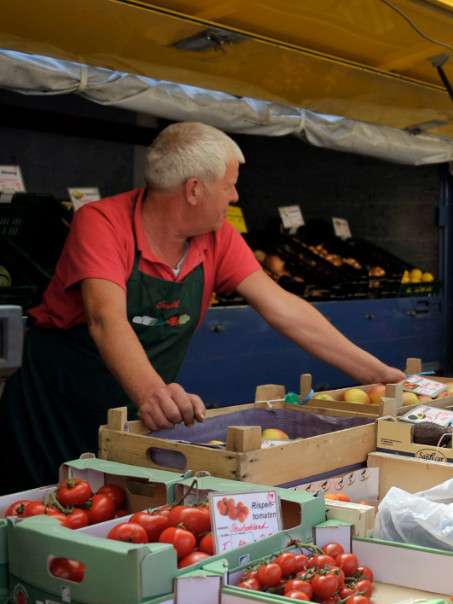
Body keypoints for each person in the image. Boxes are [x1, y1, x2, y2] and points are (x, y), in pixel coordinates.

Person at [0, 122, 404, 492]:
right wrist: (153, 392)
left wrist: (379, 375)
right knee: (33, 508)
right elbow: (105, 318)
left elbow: (284, 308)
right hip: (52, 409)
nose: (236, 196)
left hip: (133, 414)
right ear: (193, 190)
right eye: (229, 185)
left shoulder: (218, 238)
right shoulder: (102, 222)